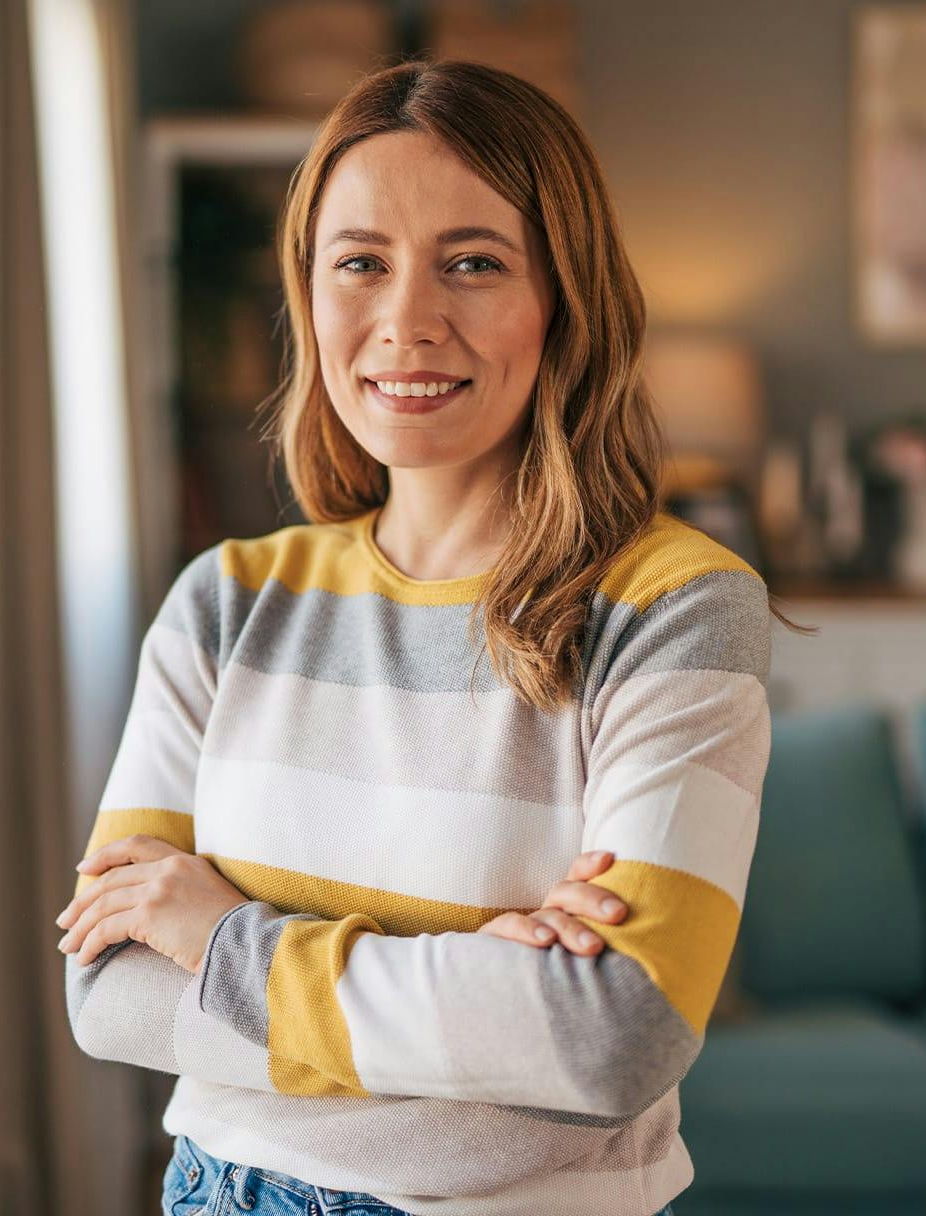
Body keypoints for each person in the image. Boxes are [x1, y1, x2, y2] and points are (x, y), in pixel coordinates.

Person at [56, 56, 792, 1216]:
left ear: (563, 300)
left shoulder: (675, 609)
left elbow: (612, 1042)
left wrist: (224, 937)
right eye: (360, 263)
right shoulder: (225, 599)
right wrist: (479, 998)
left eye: (472, 263)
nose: (406, 321)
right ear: (310, 298)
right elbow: (107, 994)